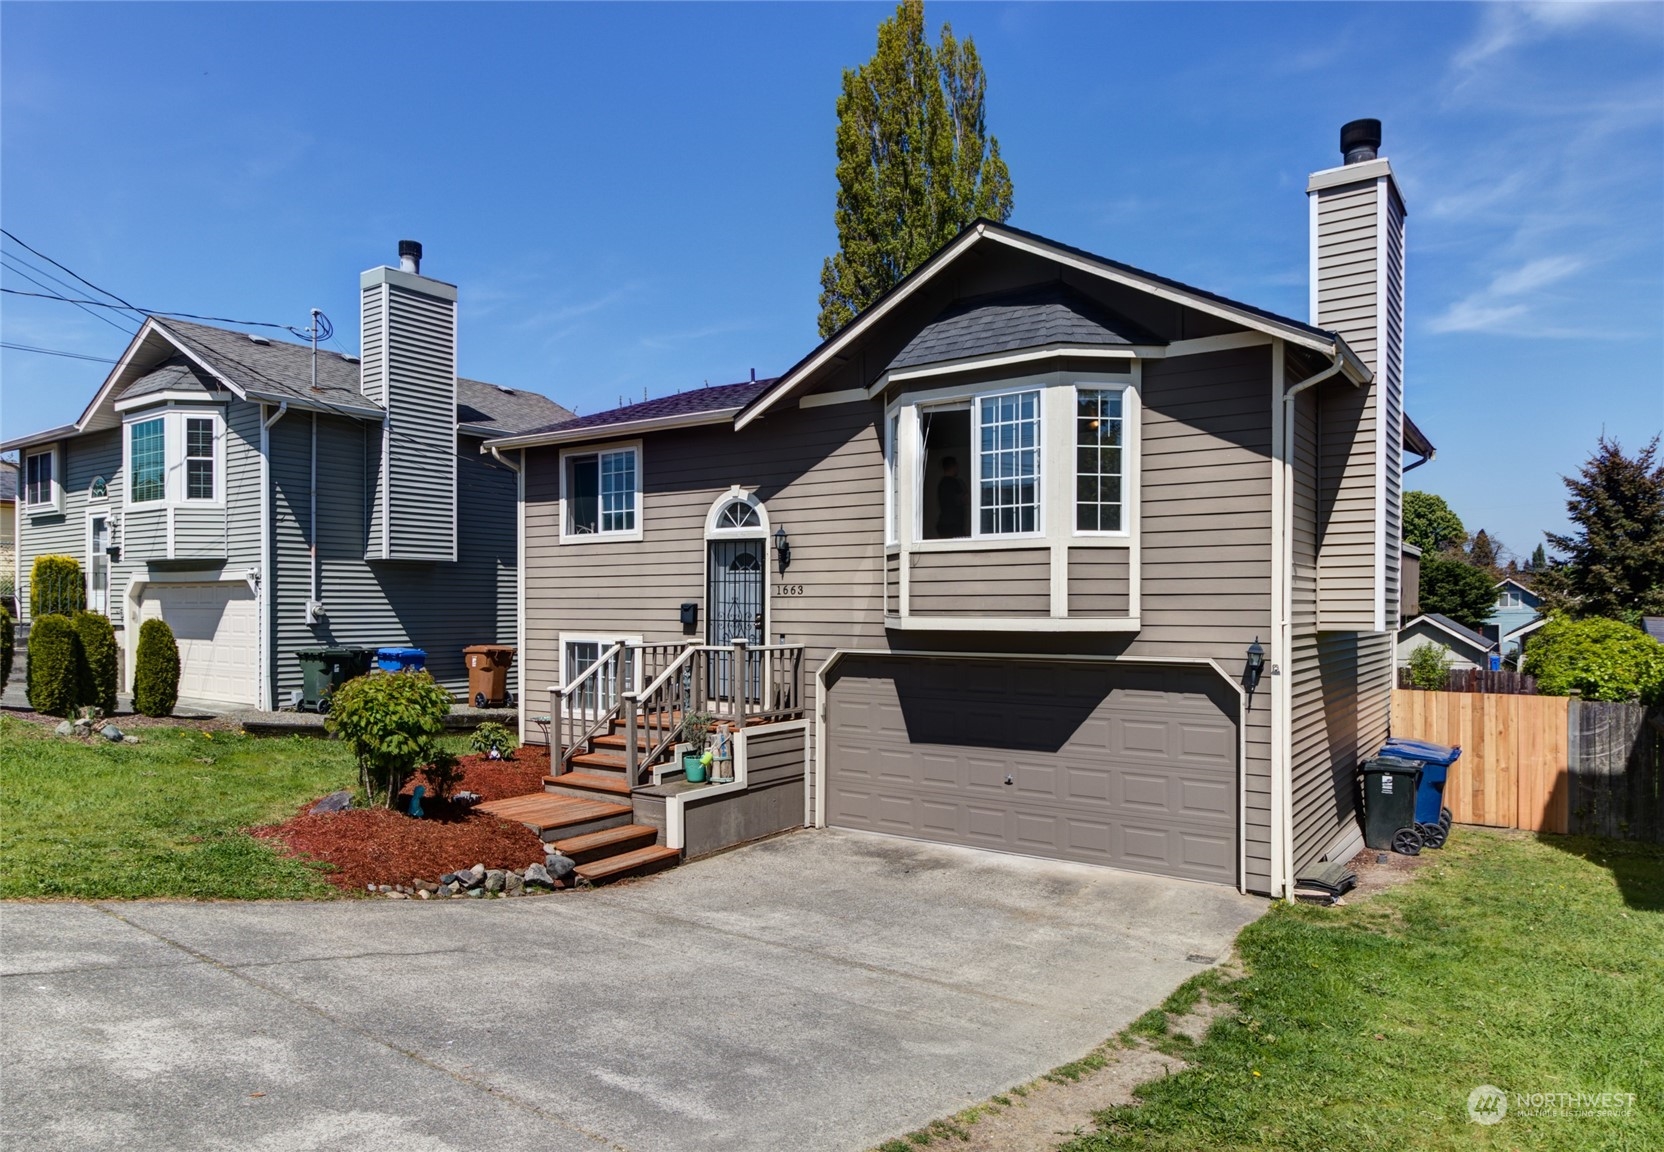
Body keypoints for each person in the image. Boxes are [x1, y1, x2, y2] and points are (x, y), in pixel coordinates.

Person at [936, 456, 967, 538]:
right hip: (953, 525)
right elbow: (962, 499)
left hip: (945, 524)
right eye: (957, 466)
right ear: (953, 466)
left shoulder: (942, 483)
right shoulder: (954, 483)